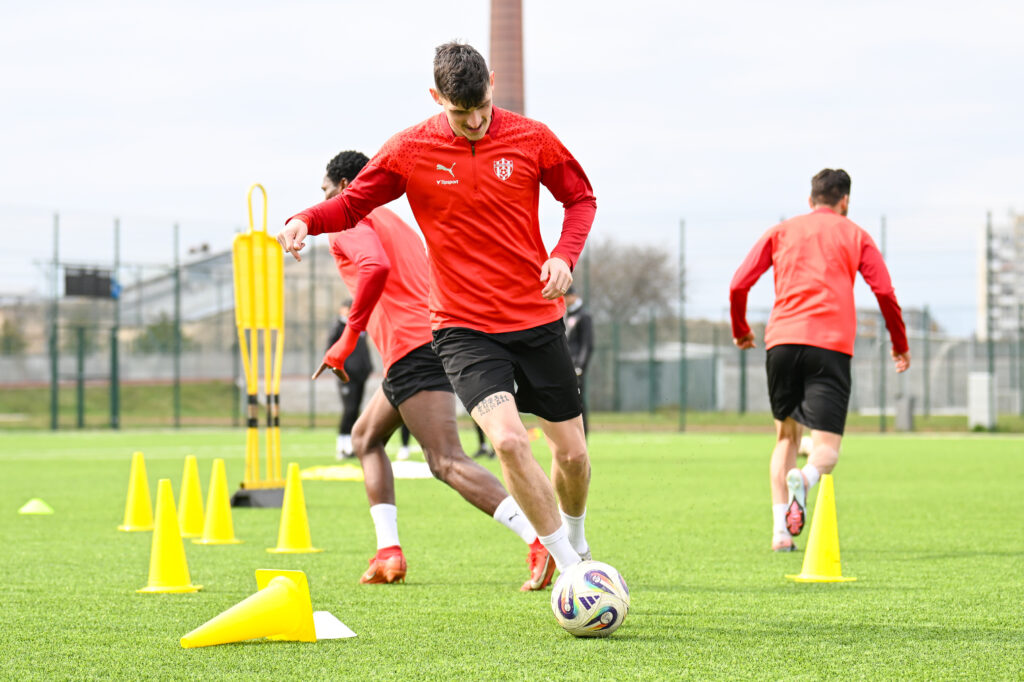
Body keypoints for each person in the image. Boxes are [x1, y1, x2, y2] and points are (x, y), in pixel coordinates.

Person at [279, 42, 597, 584]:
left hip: (536, 316)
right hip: (462, 326)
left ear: (492, 83)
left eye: (482, 107)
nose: (474, 122)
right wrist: (306, 219)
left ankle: (577, 539)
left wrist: (564, 256)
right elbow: (353, 203)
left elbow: (580, 198)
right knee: (508, 441)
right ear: (435, 97)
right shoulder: (410, 148)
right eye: (459, 112)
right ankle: (571, 569)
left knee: (572, 456)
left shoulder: (532, 137)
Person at [314, 149, 551, 589]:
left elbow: (374, 266)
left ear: (345, 188)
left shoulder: (348, 219)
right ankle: (389, 553)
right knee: (365, 438)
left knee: (445, 461)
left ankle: (540, 538)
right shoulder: (394, 220)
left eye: (326, 191)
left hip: (413, 347)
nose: (323, 201)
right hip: (429, 339)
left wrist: (347, 339)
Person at [729, 168, 910, 552]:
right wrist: (899, 343)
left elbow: (738, 283)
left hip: (782, 343)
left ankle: (780, 533)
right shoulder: (856, 234)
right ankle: (807, 478)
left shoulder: (781, 231)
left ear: (810, 200)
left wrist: (741, 328)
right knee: (826, 448)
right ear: (845, 200)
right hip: (830, 347)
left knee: (786, 438)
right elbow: (884, 292)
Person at [326, 299, 371, 458]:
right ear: (342, 310)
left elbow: (363, 350)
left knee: (356, 410)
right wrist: (339, 369)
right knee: (349, 409)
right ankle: (342, 446)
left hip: (360, 375)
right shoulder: (339, 327)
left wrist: (367, 367)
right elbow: (330, 350)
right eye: (348, 308)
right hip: (346, 376)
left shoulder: (360, 328)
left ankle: (351, 446)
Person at [563, 285, 594, 436]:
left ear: (573, 296)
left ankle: (582, 438)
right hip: (565, 367)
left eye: (565, 296)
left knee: (578, 404)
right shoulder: (565, 315)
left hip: (576, 368)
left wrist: (580, 367)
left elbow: (587, 344)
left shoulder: (584, 316)